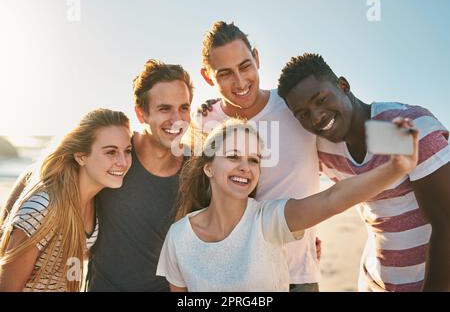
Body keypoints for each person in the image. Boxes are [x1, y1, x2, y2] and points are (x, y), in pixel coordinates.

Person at [157, 117, 418, 291]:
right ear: (209, 168)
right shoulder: (179, 237)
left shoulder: (267, 221)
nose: (245, 168)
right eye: (233, 156)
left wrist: (395, 168)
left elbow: (332, 199)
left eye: (254, 160)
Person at [277, 53, 450, 292]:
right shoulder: (322, 146)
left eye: (321, 100)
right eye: (303, 114)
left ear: (343, 86)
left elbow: (446, 223)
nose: (316, 117)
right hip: (374, 282)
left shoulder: (398, 127)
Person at [190, 21, 321, 292]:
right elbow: (196, 200)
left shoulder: (293, 106)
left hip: (298, 277)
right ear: (207, 77)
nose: (240, 82)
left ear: (257, 58)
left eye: (245, 66)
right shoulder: (203, 124)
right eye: (225, 73)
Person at [86, 59, 193, 291]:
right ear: (141, 113)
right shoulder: (114, 155)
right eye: (164, 109)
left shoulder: (196, 171)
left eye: (184, 108)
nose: (177, 120)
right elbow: (59, 175)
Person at [0, 108, 132, 291]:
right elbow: (7, 286)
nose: (123, 162)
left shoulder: (97, 202)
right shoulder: (44, 207)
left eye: (127, 151)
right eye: (111, 152)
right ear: (80, 156)